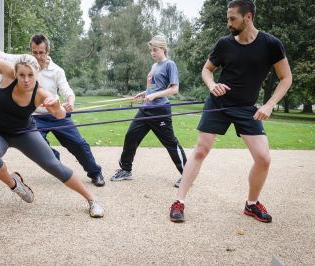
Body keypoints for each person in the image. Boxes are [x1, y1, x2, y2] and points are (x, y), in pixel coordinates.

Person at [169, 0, 292, 223]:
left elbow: (286, 78)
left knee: (263, 158)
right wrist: (212, 85)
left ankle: (252, 204)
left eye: (232, 18)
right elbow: (207, 70)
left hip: (247, 108)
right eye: (228, 18)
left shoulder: (271, 44)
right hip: (219, 104)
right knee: (200, 150)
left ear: (248, 17)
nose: (228, 23)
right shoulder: (224, 44)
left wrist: (269, 103)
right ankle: (179, 201)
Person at [0, 51, 104, 218]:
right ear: (16, 73)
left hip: (24, 132)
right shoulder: (8, 73)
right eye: (21, 75)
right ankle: (15, 184)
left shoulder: (41, 93)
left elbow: (60, 115)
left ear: (36, 74)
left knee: (54, 165)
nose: (26, 80)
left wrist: (56, 106)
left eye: (30, 75)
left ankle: (92, 200)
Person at [0, 34, 105, 187]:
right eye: (35, 52)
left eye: (41, 53)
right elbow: (4, 57)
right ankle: (57, 163)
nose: (38, 56)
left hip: (56, 114)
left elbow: (67, 90)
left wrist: (70, 101)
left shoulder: (57, 71)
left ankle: (95, 173)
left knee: (78, 143)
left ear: (47, 51)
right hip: (35, 117)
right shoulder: (25, 62)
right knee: (40, 146)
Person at [110, 35, 187, 186]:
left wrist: (154, 95)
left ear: (163, 49)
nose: (152, 53)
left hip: (160, 111)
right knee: (131, 136)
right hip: (146, 109)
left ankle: (187, 175)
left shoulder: (169, 64)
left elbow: (174, 89)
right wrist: (145, 93)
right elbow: (154, 87)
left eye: (155, 50)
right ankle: (126, 169)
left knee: (171, 143)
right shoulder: (154, 66)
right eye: (151, 50)